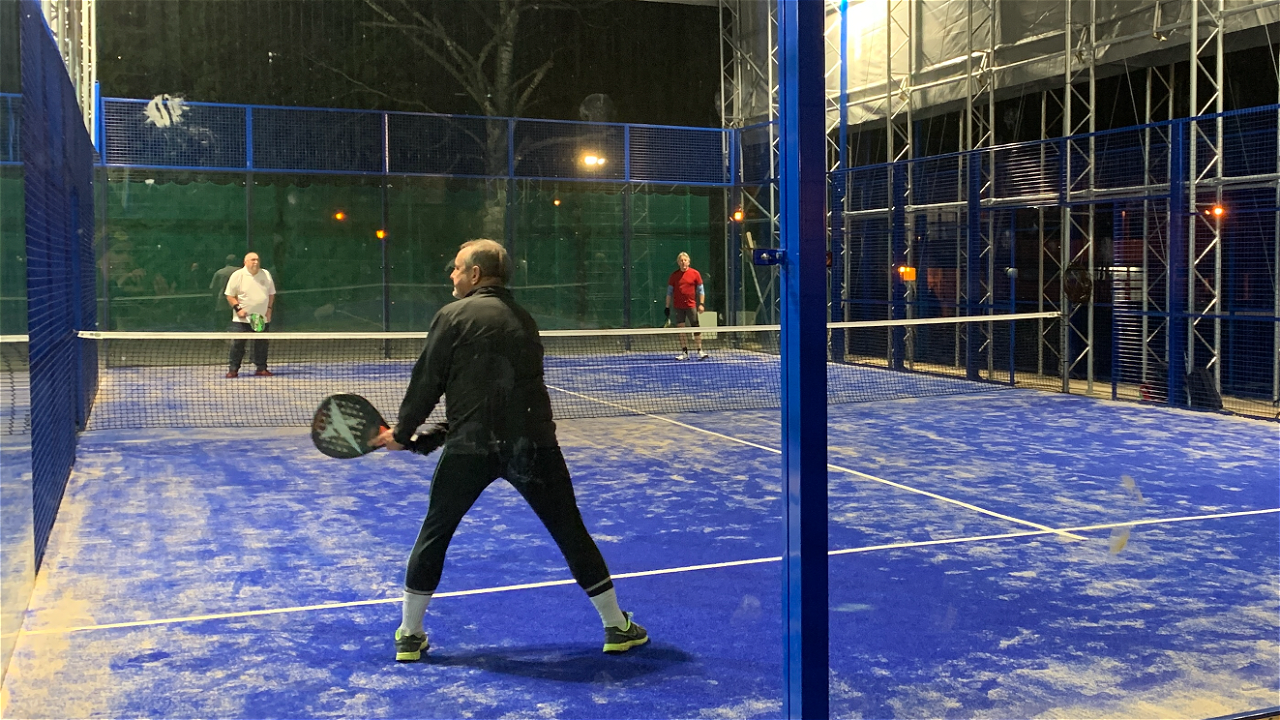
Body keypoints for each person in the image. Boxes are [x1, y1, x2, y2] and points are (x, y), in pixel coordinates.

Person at [372, 239, 648, 662]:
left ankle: (409, 635)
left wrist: (405, 431)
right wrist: (423, 438)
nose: (452, 274)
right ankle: (616, 627)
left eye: (457, 267)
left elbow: (429, 381)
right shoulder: (525, 319)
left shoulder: (451, 316)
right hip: (533, 446)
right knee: (571, 533)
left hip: (471, 448)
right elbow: (501, 399)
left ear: (476, 275)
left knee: (435, 533)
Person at [223, 252, 276, 378]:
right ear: (245, 262)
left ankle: (261, 368)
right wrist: (238, 309)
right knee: (238, 345)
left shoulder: (266, 274)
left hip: (259, 318)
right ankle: (233, 370)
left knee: (261, 344)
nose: (256, 262)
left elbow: (271, 294)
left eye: (257, 260)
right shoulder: (238, 275)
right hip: (241, 319)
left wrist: (269, 309)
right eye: (252, 260)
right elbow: (230, 295)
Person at [664, 252, 708, 360]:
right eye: (681, 260)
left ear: (688, 261)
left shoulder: (695, 274)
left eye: (685, 260)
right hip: (678, 307)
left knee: (696, 328)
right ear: (678, 263)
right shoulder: (674, 276)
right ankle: (685, 353)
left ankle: (699, 351)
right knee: (681, 329)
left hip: (691, 306)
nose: (683, 262)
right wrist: (667, 306)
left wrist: (701, 304)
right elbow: (669, 292)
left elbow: (701, 290)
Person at [210, 254, 241, 329]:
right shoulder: (241, 272)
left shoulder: (219, 272)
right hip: (239, 300)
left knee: (223, 324)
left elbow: (213, 288)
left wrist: (215, 300)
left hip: (223, 300)